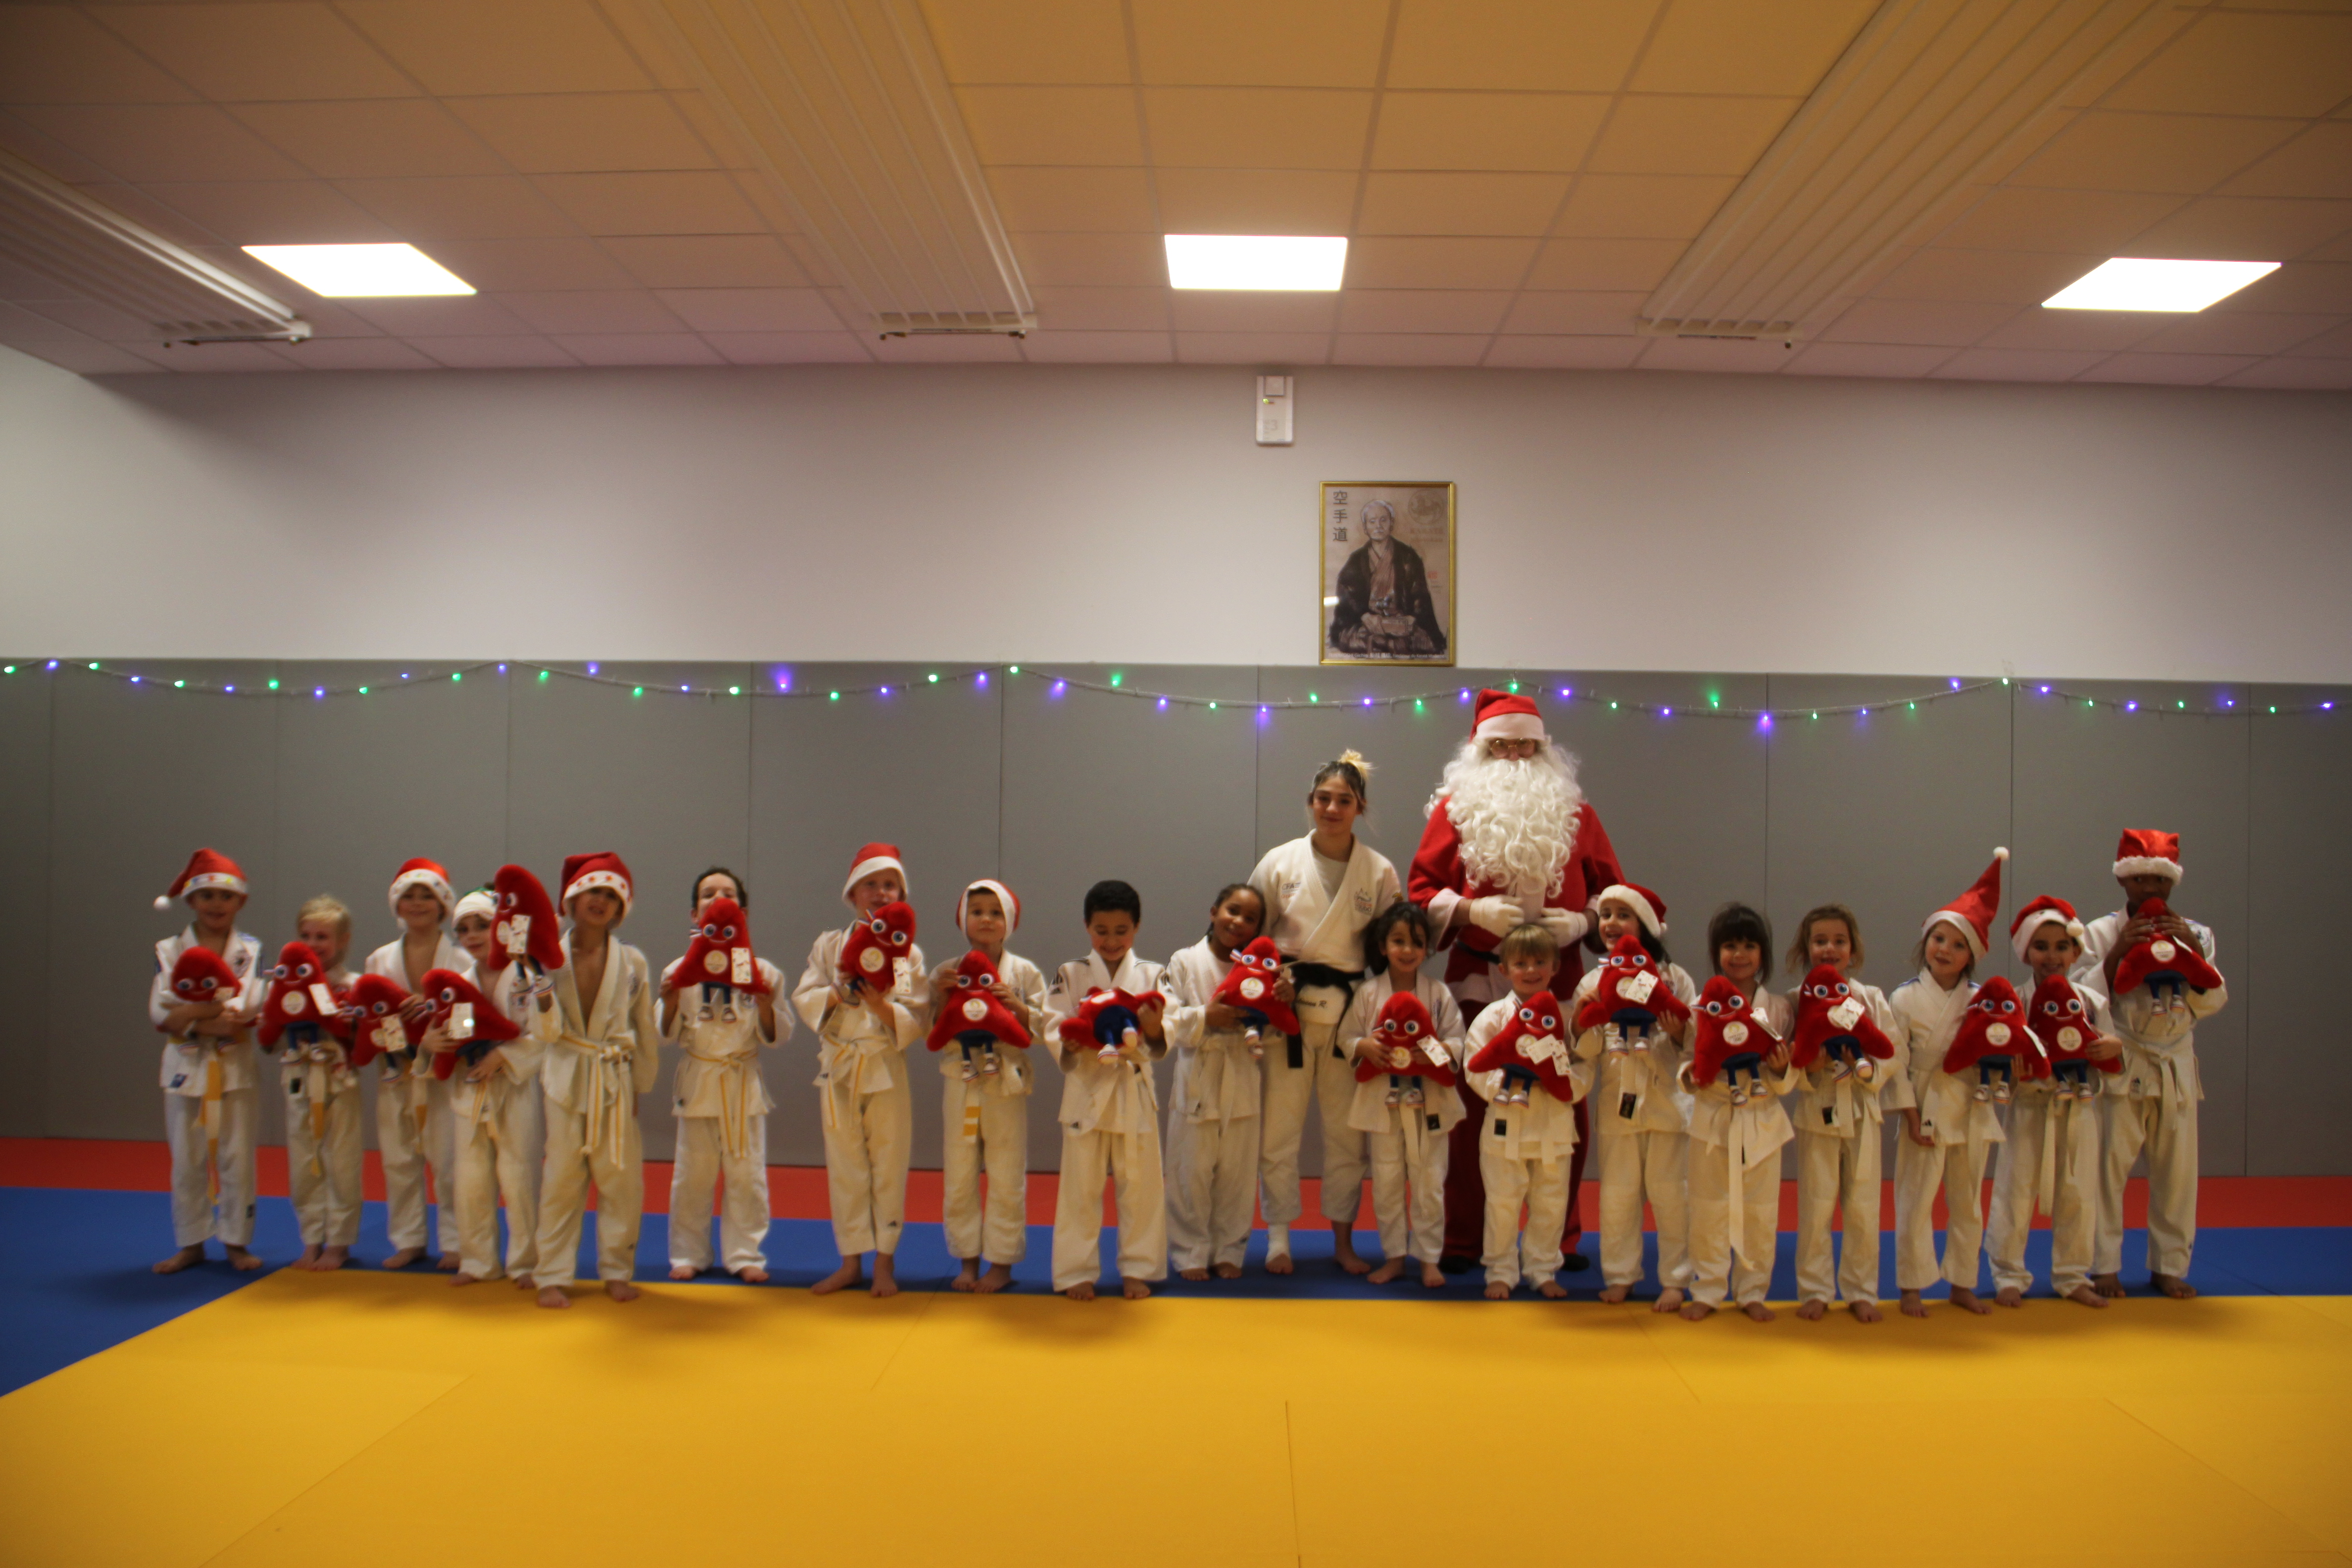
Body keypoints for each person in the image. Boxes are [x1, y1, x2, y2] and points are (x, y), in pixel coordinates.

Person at [1409, 688, 1621, 1274]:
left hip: (1561, 977)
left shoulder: (1578, 814)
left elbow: (1615, 895)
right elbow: (1420, 894)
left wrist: (1583, 921)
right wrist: (1469, 911)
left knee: (1564, 1103)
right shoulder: (1455, 811)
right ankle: (1465, 1238)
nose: (1514, 756)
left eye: (1525, 745)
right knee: (1474, 1105)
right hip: (1482, 976)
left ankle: (1559, 1240)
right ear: (1481, 750)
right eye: (1501, 746)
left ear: (1543, 748)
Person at [1249, 752, 1400, 1276]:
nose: (1332, 809)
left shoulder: (1378, 871)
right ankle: (1278, 1237)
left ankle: (1343, 1239)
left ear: (1360, 807)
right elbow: (1253, 940)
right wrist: (1265, 993)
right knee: (1280, 1130)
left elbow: (1390, 950)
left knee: (1346, 1136)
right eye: (1323, 799)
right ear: (1310, 802)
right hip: (1287, 1011)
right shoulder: (1279, 862)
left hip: (1348, 1016)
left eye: (1344, 801)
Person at [2079, 830, 2227, 1301]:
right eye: (2140, 878)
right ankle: (2103, 1265)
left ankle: (2170, 1266)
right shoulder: (2098, 932)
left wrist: (2194, 951)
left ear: (2172, 883)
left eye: (2159, 880)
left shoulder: (2198, 932)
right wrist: (2119, 951)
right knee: (2107, 1169)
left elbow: (2212, 1000)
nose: (2149, 888)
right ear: (2123, 881)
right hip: (2122, 1055)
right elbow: (2081, 1003)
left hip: (2175, 1057)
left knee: (2177, 1174)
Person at [791, 842, 925, 1299]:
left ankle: (885, 1262)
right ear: (852, 893)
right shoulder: (829, 945)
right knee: (845, 1166)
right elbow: (805, 996)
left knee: (889, 1164)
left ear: (901, 896)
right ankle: (850, 1262)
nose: (881, 892)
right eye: (871, 884)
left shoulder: (907, 954)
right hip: (840, 1066)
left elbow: (916, 1015)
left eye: (890, 885)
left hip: (885, 1065)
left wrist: (881, 1006)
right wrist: (837, 992)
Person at [534, 853, 660, 1309]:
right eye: (593, 891)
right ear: (572, 899)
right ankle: (551, 1273)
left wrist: (640, 1084)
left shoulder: (633, 961)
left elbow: (643, 1026)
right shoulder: (548, 957)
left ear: (621, 907)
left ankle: (617, 1270)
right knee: (561, 1179)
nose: (601, 901)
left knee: (621, 1180)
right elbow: (543, 1032)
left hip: (613, 1075)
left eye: (610, 895)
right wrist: (540, 990)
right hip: (565, 1073)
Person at [1989, 895, 2122, 1309]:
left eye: (2062, 947)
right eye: (2041, 946)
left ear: (2076, 952)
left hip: (2078, 1108)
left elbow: (2112, 1057)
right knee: (2015, 1190)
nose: (2052, 957)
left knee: (2078, 1193)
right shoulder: (2014, 1001)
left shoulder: (2093, 1002)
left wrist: (2112, 1048)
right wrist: (2012, 1074)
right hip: (2029, 1108)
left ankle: (2072, 1274)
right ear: (2025, 951)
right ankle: (2008, 1274)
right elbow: (1995, 1065)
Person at [1891, 848, 2008, 1318]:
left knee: (1968, 1201)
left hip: (1971, 1104)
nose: (1945, 949)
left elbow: (2000, 1050)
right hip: (1924, 1104)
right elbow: (1896, 1066)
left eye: (1958, 945)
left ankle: (1963, 1282)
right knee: (1915, 1200)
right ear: (1926, 941)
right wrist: (1910, 1115)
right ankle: (1912, 1285)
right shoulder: (1904, 999)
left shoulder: (1983, 1001)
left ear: (1972, 956)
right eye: (1939, 938)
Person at [1568, 884, 1696, 1310]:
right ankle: (1621, 1275)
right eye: (1605, 914)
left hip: (1667, 1106)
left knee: (1673, 1197)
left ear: (1646, 925)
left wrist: (1679, 1034)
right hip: (1618, 1105)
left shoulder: (1676, 979)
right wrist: (1580, 1025)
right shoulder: (1593, 981)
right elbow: (1587, 1051)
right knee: (1618, 1197)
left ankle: (1675, 1279)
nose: (1611, 923)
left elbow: (1696, 1046)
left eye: (1623, 914)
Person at [1044, 880, 1170, 1300]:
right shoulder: (1070, 972)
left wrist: (1154, 1028)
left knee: (1141, 1188)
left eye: (1121, 931)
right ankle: (1075, 1271)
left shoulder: (1154, 973)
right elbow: (1052, 1021)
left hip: (1134, 1090)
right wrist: (1068, 1041)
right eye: (1101, 931)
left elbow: (1168, 1027)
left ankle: (1139, 1268)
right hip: (1086, 1088)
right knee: (1080, 1189)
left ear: (1136, 928)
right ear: (1087, 926)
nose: (1111, 941)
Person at [663, 867, 788, 1284]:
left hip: (741, 1081)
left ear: (743, 914)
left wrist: (766, 1005)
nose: (718, 900)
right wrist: (668, 1001)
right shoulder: (678, 970)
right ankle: (688, 1252)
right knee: (692, 1175)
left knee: (747, 1176)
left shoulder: (764, 971)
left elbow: (777, 1035)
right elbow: (664, 1034)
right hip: (700, 1079)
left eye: (728, 894)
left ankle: (745, 1253)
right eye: (708, 894)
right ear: (694, 914)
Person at [147, 849, 265, 1275]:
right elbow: (162, 1015)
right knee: (187, 1160)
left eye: (226, 896)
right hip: (185, 1067)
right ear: (191, 900)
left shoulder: (250, 949)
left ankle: (236, 1241)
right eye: (207, 896)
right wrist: (206, 1019)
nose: (217, 904)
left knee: (237, 1157)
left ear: (241, 902)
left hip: (234, 1068)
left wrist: (190, 1014)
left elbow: (247, 1008)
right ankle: (191, 1243)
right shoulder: (169, 949)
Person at [1784, 903, 1903, 1323]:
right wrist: (1807, 1069)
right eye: (1820, 941)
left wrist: (1868, 1071)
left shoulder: (1869, 997)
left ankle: (1861, 1290)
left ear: (1853, 950)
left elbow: (1893, 1051)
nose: (1829, 949)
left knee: (1864, 1206)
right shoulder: (1796, 1000)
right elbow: (1786, 1060)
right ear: (1806, 949)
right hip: (1817, 1108)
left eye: (1839, 941)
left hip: (1863, 1110)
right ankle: (1815, 1289)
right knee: (1815, 1206)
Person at [1338, 901, 1467, 1288]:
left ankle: (1428, 1259)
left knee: (1429, 1181)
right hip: (1384, 1101)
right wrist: (1364, 1046)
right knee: (1387, 1182)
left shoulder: (1438, 993)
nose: (1407, 950)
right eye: (1398, 941)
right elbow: (1346, 1037)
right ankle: (1394, 1256)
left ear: (1427, 949)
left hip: (1429, 1100)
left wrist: (1436, 1052)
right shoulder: (1368, 993)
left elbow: (1458, 1042)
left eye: (1417, 942)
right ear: (1383, 947)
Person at [929, 879, 1046, 1294]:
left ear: (1010, 921)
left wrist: (1017, 1006)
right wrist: (944, 997)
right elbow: (932, 1032)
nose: (986, 920)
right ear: (963, 919)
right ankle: (967, 1259)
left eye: (996, 913)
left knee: (1006, 1171)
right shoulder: (946, 971)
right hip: (960, 1078)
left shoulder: (1024, 972)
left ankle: (1001, 1262)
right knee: (959, 1171)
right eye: (977, 911)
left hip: (1006, 1080)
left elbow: (1045, 1027)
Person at [1681, 903, 1796, 1322]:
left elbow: (1790, 1075)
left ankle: (1752, 1291)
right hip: (1713, 1115)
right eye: (1730, 946)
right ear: (1717, 953)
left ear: (1763, 953)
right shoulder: (1701, 1006)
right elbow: (1688, 1057)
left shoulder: (1779, 1009)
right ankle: (1709, 1288)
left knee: (1761, 1212)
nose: (1740, 955)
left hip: (1762, 1118)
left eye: (1749, 946)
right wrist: (1692, 1076)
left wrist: (1781, 1070)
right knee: (1707, 1207)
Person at [1459, 923, 1587, 1298]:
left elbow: (1586, 1063)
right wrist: (1511, 1084)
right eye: (1521, 963)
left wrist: (1559, 1083)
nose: (1531, 970)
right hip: (1507, 1122)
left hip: (1553, 1124)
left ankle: (1542, 1269)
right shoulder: (1493, 1016)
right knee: (1502, 1203)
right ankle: (1500, 1270)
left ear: (1555, 966)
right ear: (1504, 970)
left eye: (1540, 962)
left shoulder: (1566, 1016)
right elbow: (1474, 1066)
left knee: (1551, 1203)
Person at [1161, 882, 1269, 1282]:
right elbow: (1168, 1021)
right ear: (1213, 912)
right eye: (1232, 911)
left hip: (1242, 1073)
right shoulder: (1185, 961)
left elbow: (1273, 1028)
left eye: (1250, 918)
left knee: (1237, 1174)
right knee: (1190, 1171)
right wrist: (1206, 1016)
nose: (1238, 922)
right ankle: (1189, 1251)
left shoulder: (1260, 971)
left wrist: (1282, 1000)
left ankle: (1229, 1250)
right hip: (1198, 1075)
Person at [362, 858, 465, 1271]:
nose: (418, 903)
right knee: (399, 1158)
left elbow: (472, 1021)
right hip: (397, 1072)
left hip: (444, 1075)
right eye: (410, 896)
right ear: (397, 905)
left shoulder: (461, 959)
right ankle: (408, 1240)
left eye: (428, 896)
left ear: (443, 905)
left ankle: (456, 1242)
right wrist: (400, 1038)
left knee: (449, 1161)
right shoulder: (379, 960)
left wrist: (440, 1019)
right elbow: (370, 1020)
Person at [446, 887, 547, 1289]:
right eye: (463, 929)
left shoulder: (527, 976)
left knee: (519, 1178)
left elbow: (544, 1035)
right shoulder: (459, 984)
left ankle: (526, 1263)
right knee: (471, 1180)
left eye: (481, 926)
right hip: (472, 1090)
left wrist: (504, 1056)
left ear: (501, 928)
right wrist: (450, 1045)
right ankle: (477, 1261)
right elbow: (460, 1034)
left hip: (515, 1090)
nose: (472, 935)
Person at [281, 895, 363, 1272]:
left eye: (323, 937)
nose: (313, 945)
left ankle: (340, 1242)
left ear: (343, 940)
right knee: (303, 1161)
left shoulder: (354, 985)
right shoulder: (286, 984)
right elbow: (270, 1031)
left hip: (340, 1080)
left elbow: (366, 1041)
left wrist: (350, 1025)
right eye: (306, 936)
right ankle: (311, 1238)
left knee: (342, 1161)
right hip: (299, 1077)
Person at [1327, 499, 1446, 659]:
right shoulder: (1357, 560)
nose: (1379, 526)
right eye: (1372, 521)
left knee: (1420, 642)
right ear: (1365, 528)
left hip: (1400, 621)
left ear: (1392, 523)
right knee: (1356, 640)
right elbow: (1347, 595)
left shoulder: (1408, 557)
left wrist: (1411, 619)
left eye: (1384, 520)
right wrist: (1365, 616)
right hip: (1368, 623)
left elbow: (1420, 594)